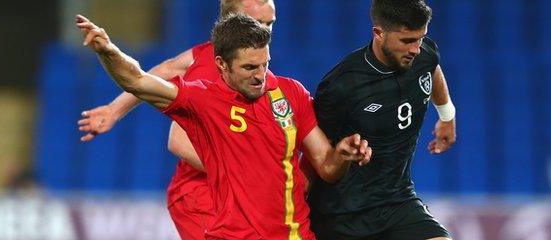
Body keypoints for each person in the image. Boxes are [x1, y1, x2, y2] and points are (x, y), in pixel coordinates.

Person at [76, 13, 372, 240]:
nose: (261, 76)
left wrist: (342, 155)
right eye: (249, 67)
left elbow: (327, 167)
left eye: (264, 64)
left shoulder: (290, 93)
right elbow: (138, 80)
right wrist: (108, 51)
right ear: (221, 65)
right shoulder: (204, 100)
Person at [76, 1, 276, 239]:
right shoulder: (216, 69)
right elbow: (178, 141)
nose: (265, 30)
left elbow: (166, 69)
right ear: (231, 22)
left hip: (220, 195)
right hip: (202, 196)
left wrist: (114, 109)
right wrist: (248, 173)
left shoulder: (214, 55)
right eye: (256, 22)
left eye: (269, 23)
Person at [307, 0, 456, 239]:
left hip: (398, 201)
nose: (415, 49)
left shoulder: (423, 54)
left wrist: (447, 115)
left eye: (420, 38)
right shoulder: (342, 85)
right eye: (407, 40)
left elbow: (432, 67)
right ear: (378, 33)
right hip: (342, 215)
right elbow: (317, 157)